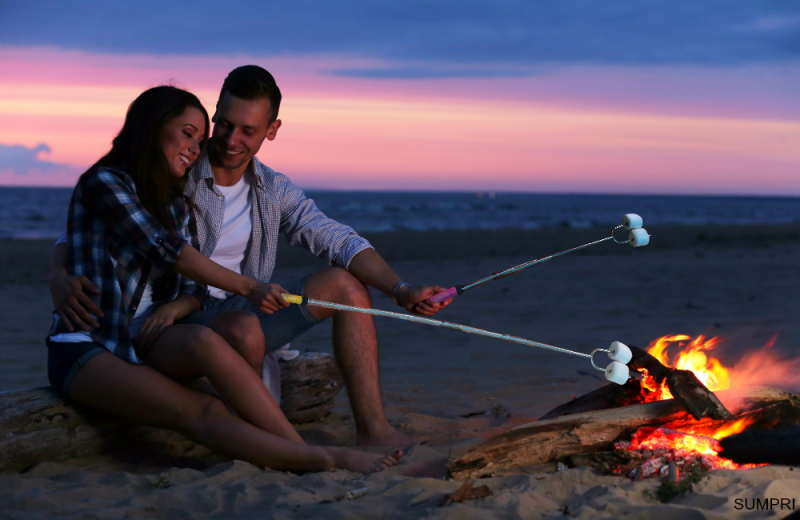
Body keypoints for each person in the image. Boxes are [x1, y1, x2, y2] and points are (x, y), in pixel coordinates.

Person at [50, 65, 454, 449]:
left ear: (272, 130)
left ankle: (374, 430)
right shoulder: (179, 165)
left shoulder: (273, 189)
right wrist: (58, 273)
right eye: (224, 124)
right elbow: (94, 223)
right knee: (241, 324)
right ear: (214, 115)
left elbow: (336, 238)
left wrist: (400, 289)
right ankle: (263, 435)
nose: (230, 139)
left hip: (248, 305)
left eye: (248, 130)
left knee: (346, 284)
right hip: (184, 314)